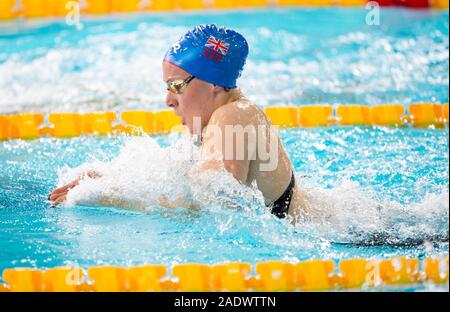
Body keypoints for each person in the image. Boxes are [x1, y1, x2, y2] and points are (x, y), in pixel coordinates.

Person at [49, 24, 309, 223]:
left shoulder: (232, 116)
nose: (168, 100)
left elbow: (215, 202)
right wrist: (106, 179)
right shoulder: (213, 124)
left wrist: (109, 197)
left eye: (176, 86)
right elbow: (173, 178)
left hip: (335, 236)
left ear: (214, 84)